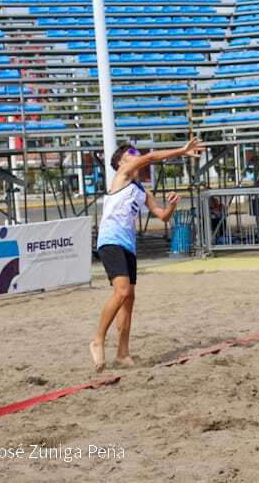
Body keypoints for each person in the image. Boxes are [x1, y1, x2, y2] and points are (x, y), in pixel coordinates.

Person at [90, 139, 204, 372]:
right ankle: (98, 339)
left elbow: (162, 216)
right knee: (122, 291)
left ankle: (122, 354)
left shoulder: (143, 191)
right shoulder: (123, 174)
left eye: (136, 152)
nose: (136, 154)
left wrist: (171, 205)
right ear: (121, 161)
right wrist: (182, 150)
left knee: (128, 299)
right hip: (110, 240)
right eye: (131, 152)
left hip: (128, 245)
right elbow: (151, 158)